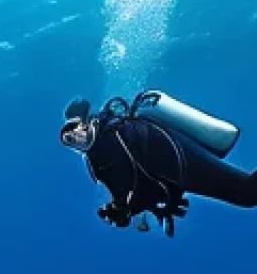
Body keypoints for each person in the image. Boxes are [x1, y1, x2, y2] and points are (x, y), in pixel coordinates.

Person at [60, 91, 257, 235]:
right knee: (247, 194)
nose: (73, 137)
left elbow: (133, 173)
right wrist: (122, 212)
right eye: (67, 139)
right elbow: (128, 189)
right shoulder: (95, 163)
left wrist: (130, 206)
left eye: (73, 128)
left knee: (246, 192)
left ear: (89, 121)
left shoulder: (115, 134)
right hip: (175, 177)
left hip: (181, 159)